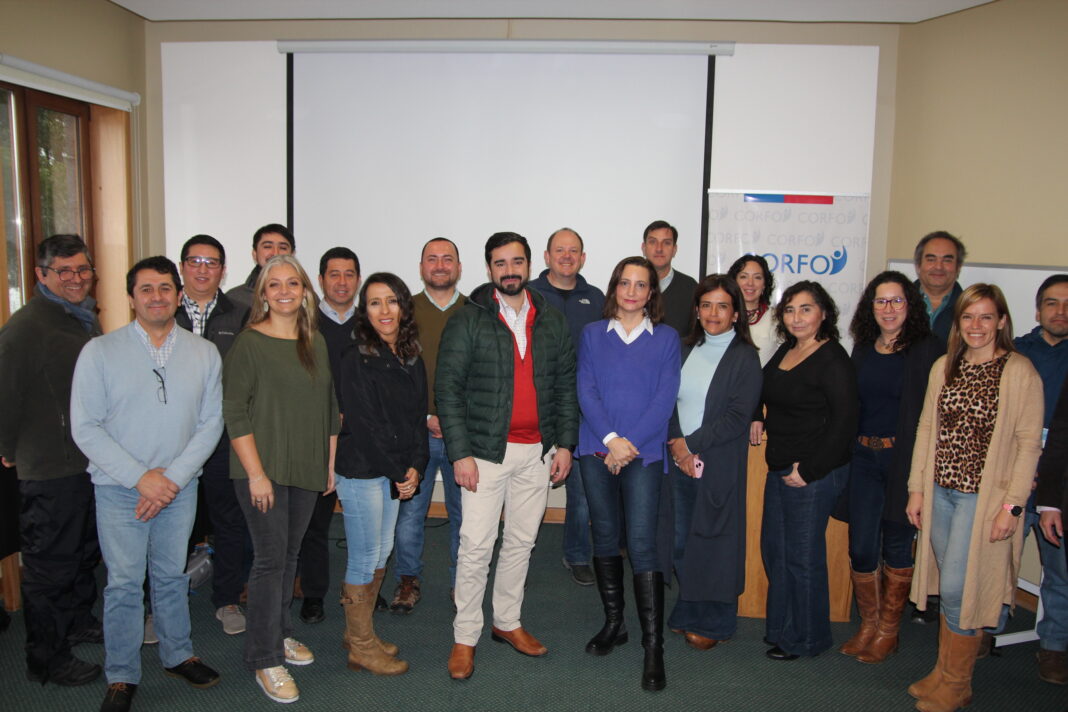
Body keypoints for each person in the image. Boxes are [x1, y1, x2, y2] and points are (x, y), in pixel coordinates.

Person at [71, 256, 224, 712]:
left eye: (164, 288)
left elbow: (211, 423)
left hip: (179, 487)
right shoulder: (99, 352)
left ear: (178, 295)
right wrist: (142, 478)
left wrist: (170, 481)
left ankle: (178, 654)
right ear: (131, 297)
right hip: (120, 488)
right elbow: (86, 427)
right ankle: (121, 674)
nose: (156, 297)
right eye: (146, 289)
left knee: (171, 576)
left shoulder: (204, 353)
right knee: (122, 583)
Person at [436, 232, 578, 680]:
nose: (510, 270)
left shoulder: (552, 321)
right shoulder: (468, 319)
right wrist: (460, 453)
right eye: (500, 263)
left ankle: (507, 621)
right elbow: (448, 390)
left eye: (517, 261)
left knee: (521, 541)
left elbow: (565, 387)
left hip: (537, 453)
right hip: (484, 455)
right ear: (489, 269)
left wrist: (565, 444)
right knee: (476, 546)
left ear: (529, 265)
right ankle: (465, 636)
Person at [905, 283, 1043, 712]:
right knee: (950, 588)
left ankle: (958, 683)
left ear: (1002, 321)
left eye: (986, 316)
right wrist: (916, 488)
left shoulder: (1019, 371)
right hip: (940, 492)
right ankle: (943, 671)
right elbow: (927, 427)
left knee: (959, 590)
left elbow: (1028, 445)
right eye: (968, 316)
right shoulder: (945, 365)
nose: (976, 325)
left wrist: (1012, 507)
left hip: (982, 501)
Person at [222, 255, 339, 704]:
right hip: (262, 471)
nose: (285, 291)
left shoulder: (315, 341)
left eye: (293, 283)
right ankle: (263, 658)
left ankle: (280, 632)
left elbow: (329, 407)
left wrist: (328, 464)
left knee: (290, 556)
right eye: (275, 285)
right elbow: (235, 411)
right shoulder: (249, 343)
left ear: (306, 291)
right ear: (263, 294)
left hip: (307, 466)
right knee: (270, 562)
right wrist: (256, 475)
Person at [0, 234, 103, 686]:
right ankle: (47, 658)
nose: (76, 278)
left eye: (82, 269)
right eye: (64, 271)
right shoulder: (27, 327)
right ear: (41, 275)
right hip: (48, 467)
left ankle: (77, 622)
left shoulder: (82, 317)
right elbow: (5, 392)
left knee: (81, 555)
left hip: (84, 462)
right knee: (50, 567)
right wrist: (7, 449)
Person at [576, 256, 680, 691]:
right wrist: (611, 440)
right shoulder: (592, 334)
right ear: (614, 288)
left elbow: (665, 398)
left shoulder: (667, 338)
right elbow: (586, 389)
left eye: (641, 285)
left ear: (651, 292)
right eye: (625, 283)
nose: (632, 292)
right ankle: (615, 623)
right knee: (604, 536)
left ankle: (653, 647)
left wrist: (627, 444)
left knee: (641, 544)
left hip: (644, 452)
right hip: (596, 447)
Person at [838, 272, 942, 664]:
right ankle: (868, 624)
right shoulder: (864, 348)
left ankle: (888, 631)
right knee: (861, 545)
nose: (888, 308)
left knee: (897, 542)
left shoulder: (928, 349)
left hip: (904, 460)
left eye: (897, 300)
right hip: (864, 457)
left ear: (910, 305)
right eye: (880, 301)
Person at [753, 280, 858, 661]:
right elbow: (762, 387)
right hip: (780, 467)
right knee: (775, 551)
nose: (797, 318)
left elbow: (846, 422)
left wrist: (811, 470)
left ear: (823, 313)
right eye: (790, 310)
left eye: (806, 309)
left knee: (802, 557)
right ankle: (783, 629)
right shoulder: (788, 349)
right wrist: (756, 415)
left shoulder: (833, 359)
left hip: (813, 473)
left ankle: (808, 638)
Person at [335, 273, 427, 676]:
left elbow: (418, 418)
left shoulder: (411, 355)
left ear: (403, 307)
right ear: (365, 311)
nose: (385, 310)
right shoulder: (356, 357)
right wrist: (398, 472)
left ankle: (359, 634)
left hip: (395, 471)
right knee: (363, 557)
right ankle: (361, 647)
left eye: (391, 301)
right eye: (375, 302)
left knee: (380, 551)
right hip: (362, 471)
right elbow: (365, 425)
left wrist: (416, 466)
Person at [666, 275, 762, 653]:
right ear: (696, 310)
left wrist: (690, 445)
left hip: (718, 461)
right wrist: (679, 447)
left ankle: (717, 620)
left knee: (715, 542)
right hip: (679, 459)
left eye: (722, 306)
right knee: (681, 539)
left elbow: (737, 417)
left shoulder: (745, 356)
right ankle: (689, 608)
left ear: (736, 313)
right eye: (706, 305)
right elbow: (667, 399)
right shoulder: (684, 347)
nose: (713, 313)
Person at [175, 234, 251, 636]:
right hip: (174, 438)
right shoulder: (165, 310)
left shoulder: (240, 314)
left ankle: (227, 599)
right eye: (195, 261)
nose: (203, 269)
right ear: (182, 267)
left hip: (224, 435)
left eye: (212, 262)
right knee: (174, 521)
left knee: (230, 518)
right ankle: (161, 604)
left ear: (223, 270)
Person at [391, 238, 466, 613]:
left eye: (447, 259)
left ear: (459, 267)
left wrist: (451, 420)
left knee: (465, 515)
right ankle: (407, 580)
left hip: (462, 436)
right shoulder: (403, 312)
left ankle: (462, 583)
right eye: (432, 259)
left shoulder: (475, 312)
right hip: (414, 432)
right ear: (421, 267)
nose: (439, 265)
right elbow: (393, 373)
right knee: (410, 513)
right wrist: (425, 417)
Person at [529, 227, 606, 587]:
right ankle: (518, 552)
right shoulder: (528, 294)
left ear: (583, 258)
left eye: (573, 251)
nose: (566, 256)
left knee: (582, 489)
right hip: (535, 404)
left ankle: (577, 554)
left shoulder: (597, 298)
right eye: (559, 250)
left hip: (581, 408)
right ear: (547, 257)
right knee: (525, 486)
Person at [295, 247, 361, 625]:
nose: (341, 281)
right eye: (334, 274)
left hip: (361, 439)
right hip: (317, 438)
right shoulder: (302, 323)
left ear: (358, 280)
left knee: (364, 524)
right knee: (315, 524)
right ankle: (314, 593)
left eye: (349, 274)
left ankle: (364, 591)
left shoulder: (371, 322)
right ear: (320, 280)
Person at [1017, 274, 1068, 684]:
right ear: (1038, 311)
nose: (1060, 311)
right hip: (1014, 481)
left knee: (1060, 571)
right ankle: (983, 630)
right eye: (1052, 303)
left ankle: (1054, 645)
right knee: (997, 561)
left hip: (1061, 486)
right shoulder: (1015, 352)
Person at [640, 220, 697, 338]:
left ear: (674, 249)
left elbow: (695, 334)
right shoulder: (629, 287)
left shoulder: (690, 287)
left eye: (666, 243)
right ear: (644, 248)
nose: (659, 248)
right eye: (652, 242)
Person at [225, 224, 294, 312]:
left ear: (292, 255)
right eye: (268, 247)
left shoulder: (304, 296)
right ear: (254, 254)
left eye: (283, 248)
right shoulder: (234, 298)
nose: (275, 253)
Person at [913, 231, 966, 343]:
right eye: (931, 259)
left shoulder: (969, 308)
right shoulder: (897, 304)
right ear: (918, 265)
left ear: (958, 267)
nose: (938, 267)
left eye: (947, 260)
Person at [727, 254, 778, 366]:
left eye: (757, 277)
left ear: (764, 284)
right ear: (734, 282)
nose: (750, 283)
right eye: (743, 277)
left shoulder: (776, 318)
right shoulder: (723, 316)